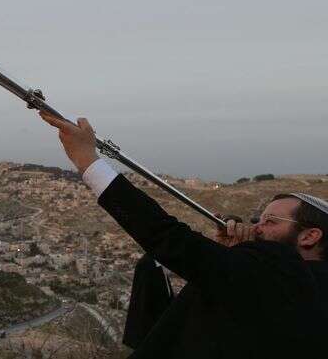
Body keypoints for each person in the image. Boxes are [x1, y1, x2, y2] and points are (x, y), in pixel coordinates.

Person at [40, 112, 328, 358]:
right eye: (257, 219)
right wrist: (233, 259)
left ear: (309, 236)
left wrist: (89, 162)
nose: (256, 228)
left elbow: (170, 237)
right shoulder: (297, 286)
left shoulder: (284, 270)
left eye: (270, 221)